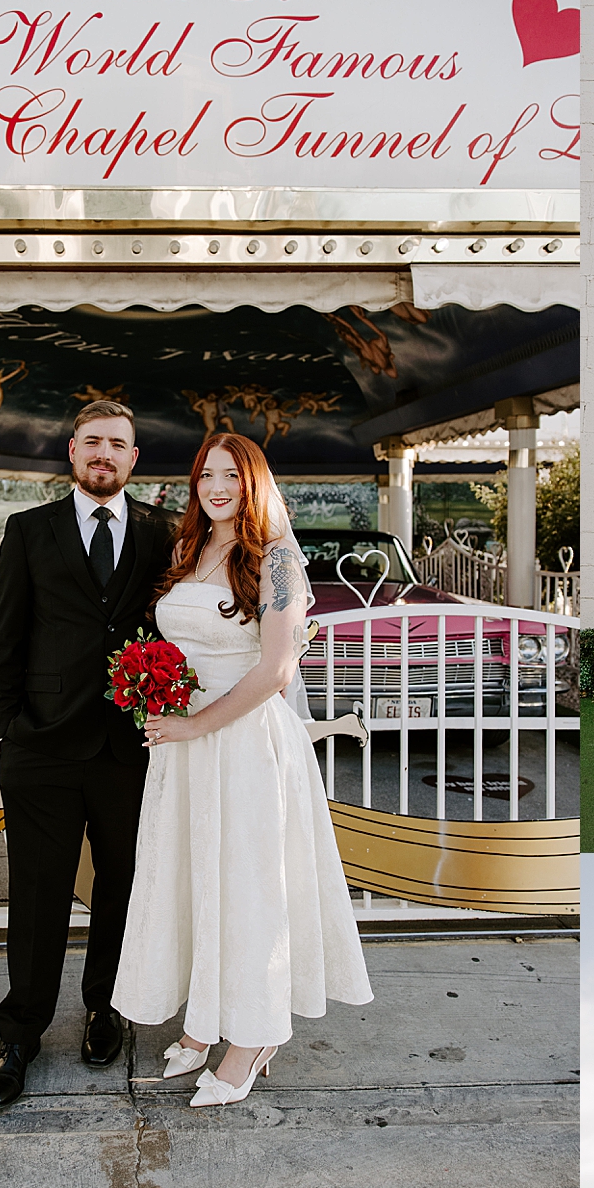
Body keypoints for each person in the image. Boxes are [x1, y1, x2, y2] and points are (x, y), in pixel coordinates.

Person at [112, 433, 372, 1108]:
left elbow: (277, 669)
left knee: (248, 889)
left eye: (232, 474)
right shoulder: (186, 550)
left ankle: (253, 1038)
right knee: (196, 880)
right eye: (207, 474)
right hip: (185, 746)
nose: (217, 486)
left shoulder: (278, 560)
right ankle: (202, 1023)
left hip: (246, 743)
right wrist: (159, 693)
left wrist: (199, 722)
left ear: (255, 482)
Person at [0, 402, 176, 1108]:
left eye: (117, 444)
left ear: (133, 457)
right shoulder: (28, 531)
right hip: (42, 747)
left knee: (121, 885)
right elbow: (6, 635)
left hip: (128, 747)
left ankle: (106, 1008)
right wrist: (11, 727)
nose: (104, 453)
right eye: (92, 441)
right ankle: (21, 1032)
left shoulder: (162, 533)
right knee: (37, 895)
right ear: (72, 451)